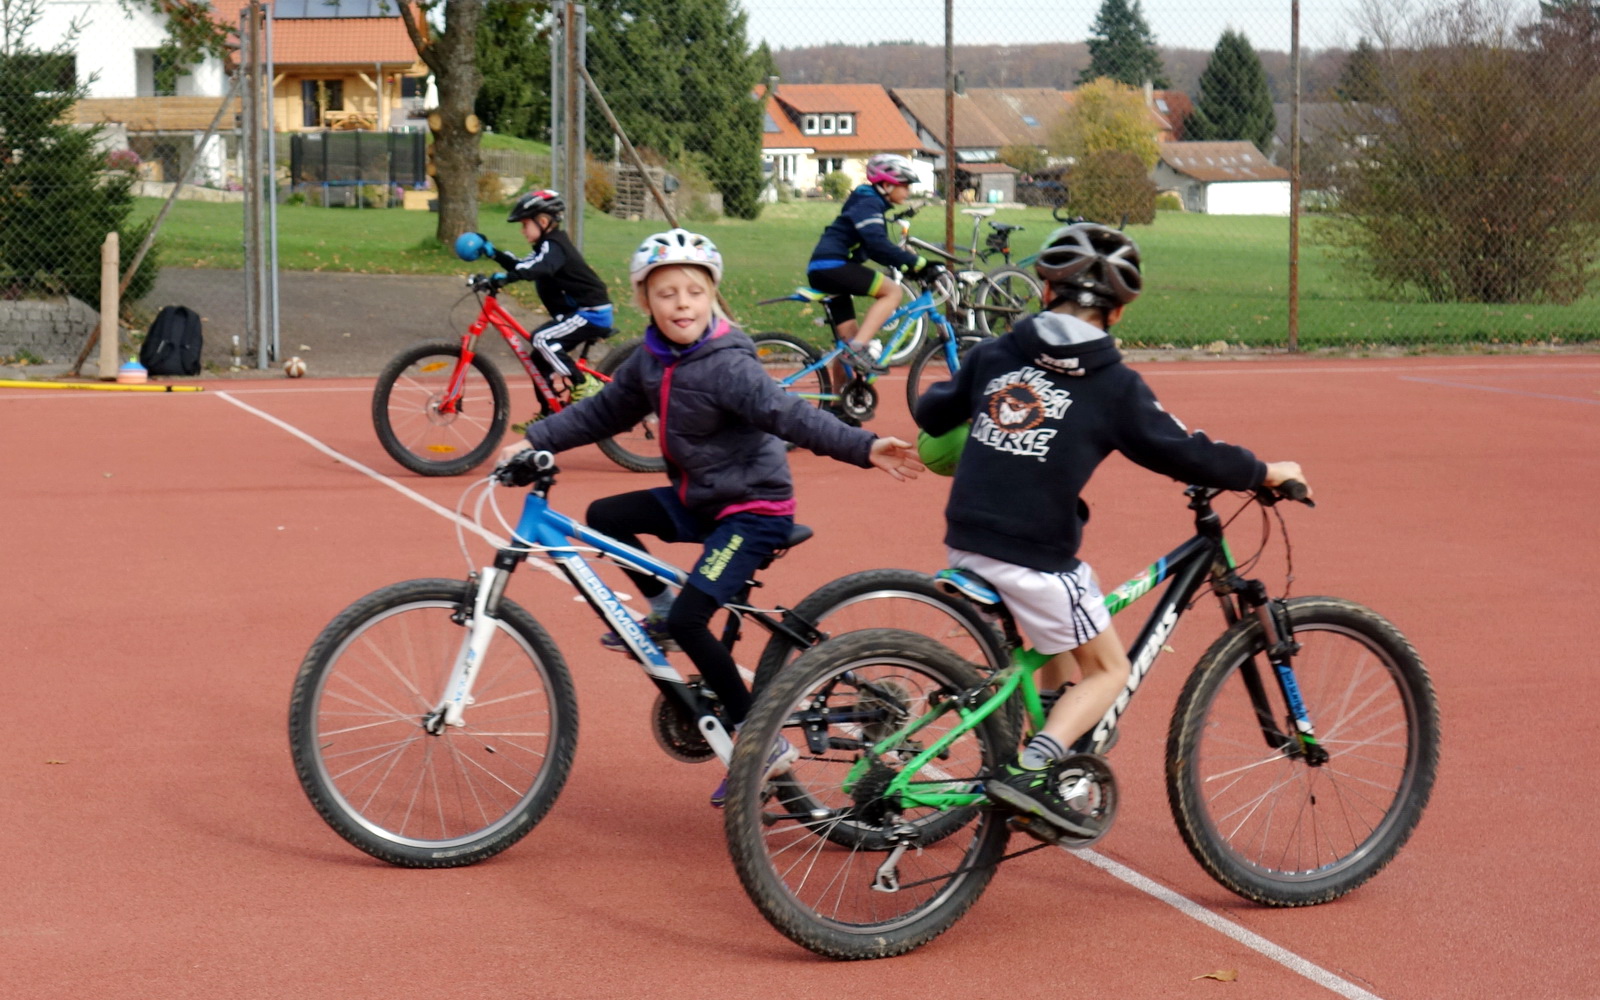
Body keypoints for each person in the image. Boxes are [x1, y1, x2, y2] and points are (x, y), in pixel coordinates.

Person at [499, 227, 925, 805]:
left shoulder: (729, 366)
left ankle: (759, 738)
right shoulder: (650, 360)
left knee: (694, 622)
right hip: (702, 497)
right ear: (643, 301)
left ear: (712, 297)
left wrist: (864, 445)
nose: (682, 304)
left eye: (695, 292)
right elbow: (602, 412)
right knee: (603, 514)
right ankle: (662, 607)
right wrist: (534, 441)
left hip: (753, 510)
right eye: (667, 292)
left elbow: (790, 415)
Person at [913, 221, 1309, 841]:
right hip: (1035, 558)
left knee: (1055, 638)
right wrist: (1261, 471)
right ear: (1118, 314)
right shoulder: (1112, 386)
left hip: (966, 538)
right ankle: (1033, 769)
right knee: (1108, 670)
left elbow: (931, 411)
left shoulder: (996, 353)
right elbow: (1181, 451)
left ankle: (1048, 735)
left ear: (1044, 292)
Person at [806, 153, 943, 421]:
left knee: (844, 342)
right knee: (893, 292)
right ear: (888, 184)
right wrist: (918, 262)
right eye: (905, 184)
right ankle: (860, 348)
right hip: (832, 266)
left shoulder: (869, 202)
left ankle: (837, 407)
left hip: (825, 268)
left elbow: (877, 249)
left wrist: (908, 266)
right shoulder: (868, 202)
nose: (909, 190)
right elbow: (879, 244)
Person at [475, 189, 613, 412]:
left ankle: (584, 385)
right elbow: (523, 266)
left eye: (524, 224)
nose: (522, 231)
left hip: (591, 312)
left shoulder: (555, 246)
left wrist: (506, 278)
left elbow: (541, 268)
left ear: (542, 221)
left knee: (541, 339)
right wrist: (493, 253)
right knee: (538, 358)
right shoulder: (545, 247)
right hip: (576, 314)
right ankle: (548, 413)